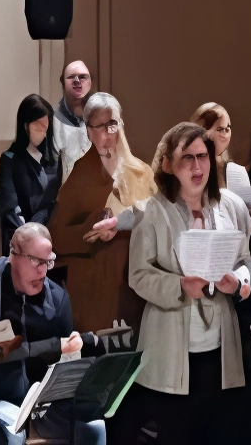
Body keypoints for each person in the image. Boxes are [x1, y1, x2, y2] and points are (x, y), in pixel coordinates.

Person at [115, 123, 251, 445]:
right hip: (171, 348)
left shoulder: (230, 205)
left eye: (202, 156)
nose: (197, 166)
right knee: (177, 434)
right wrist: (180, 286)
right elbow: (139, 275)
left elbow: (245, 260)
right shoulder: (152, 212)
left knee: (218, 433)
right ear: (168, 165)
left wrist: (239, 283)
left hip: (220, 345)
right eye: (186, 158)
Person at [0, 223, 107, 445]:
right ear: (13, 255)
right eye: (36, 261)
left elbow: (63, 362)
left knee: (95, 427)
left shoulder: (57, 298)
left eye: (48, 262)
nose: (43, 271)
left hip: (44, 403)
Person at [46, 92, 154, 332]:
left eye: (111, 124)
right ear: (88, 131)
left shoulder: (141, 172)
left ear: (121, 124)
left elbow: (159, 221)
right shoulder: (81, 174)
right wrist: (90, 228)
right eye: (98, 127)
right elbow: (57, 236)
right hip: (96, 287)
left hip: (135, 282)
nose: (106, 134)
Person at [0, 94, 63, 254]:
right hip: (20, 240)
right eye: (37, 127)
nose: (43, 133)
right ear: (25, 126)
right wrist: (29, 235)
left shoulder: (54, 161)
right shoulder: (10, 159)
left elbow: (52, 203)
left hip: (49, 239)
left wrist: (42, 235)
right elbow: (9, 207)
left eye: (46, 128)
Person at [55, 61, 93, 178]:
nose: (77, 80)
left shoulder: (99, 117)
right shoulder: (53, 121)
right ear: (63, 82)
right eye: (71, 77)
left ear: (90, 82)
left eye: (82, 77)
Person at [190, 102, 234, 180]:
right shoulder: (188, 167)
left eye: (228, 127)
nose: (225, 134)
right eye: (219, 129)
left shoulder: (234, 171)